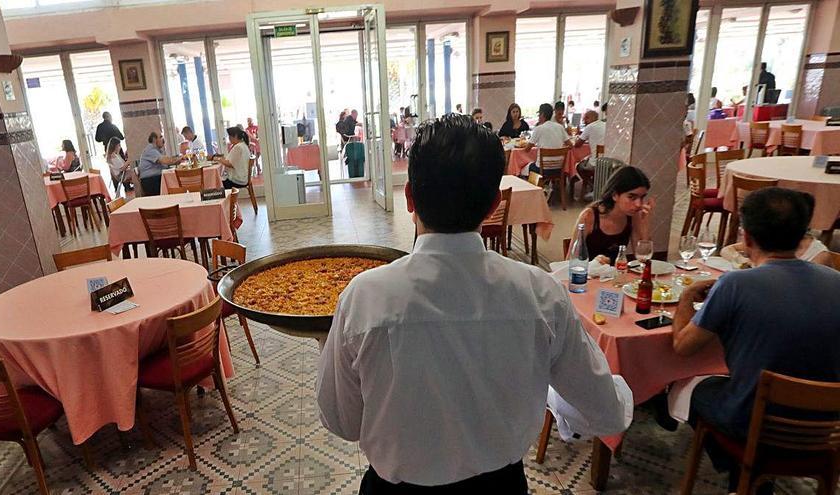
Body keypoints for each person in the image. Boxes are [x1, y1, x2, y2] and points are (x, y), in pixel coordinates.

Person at [317, 114, 632, 494]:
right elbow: (607, 412)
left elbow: (342, 422)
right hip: (500, 488)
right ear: (493, 205)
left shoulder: (364, 297)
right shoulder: (540, 293)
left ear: (409, 198)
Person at [672, 187, 840, 495]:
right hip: (827, 428)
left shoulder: (735, 285)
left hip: (757, 425)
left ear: (746, 238)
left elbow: (682, 347)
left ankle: (746, 476)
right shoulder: (836, 281)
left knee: (689, 388)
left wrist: (685, 297)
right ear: (803, 237)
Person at [720, 192, 832, 267]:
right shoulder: (773, 239)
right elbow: (727, 250)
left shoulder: (819, 256)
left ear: (747, 237)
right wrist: (742, 261)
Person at [567, 166, 653, 264]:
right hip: (587, 275)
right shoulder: (589, 216)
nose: (638, 204)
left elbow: (643, 260)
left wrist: (645, 224)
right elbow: (570, 261)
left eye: (642, 197)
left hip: (615, 276)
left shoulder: (633, 215)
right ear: (614, 195)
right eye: (632, 197)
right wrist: (593, 264)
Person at [138, 131, 182, 196]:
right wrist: (179, 158)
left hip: (155, 179)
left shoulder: (157, 150)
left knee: (176, 182)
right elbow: (166, 161)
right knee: (175, 185)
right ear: (154, 139)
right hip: (151, 181)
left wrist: (177, 160)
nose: (163, 139)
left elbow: (167, 162)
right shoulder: (150, 150)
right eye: (161, 137)